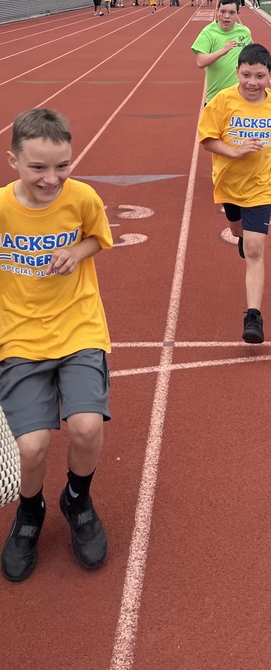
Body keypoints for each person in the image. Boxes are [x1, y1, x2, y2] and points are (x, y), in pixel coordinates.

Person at [0, 108, 113, 582]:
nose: (52, 179)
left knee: (86, 427)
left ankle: (77, 499)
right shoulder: (3, 208)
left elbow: (97, 238)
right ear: (13, 162)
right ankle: (30, 510)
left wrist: (76, 251)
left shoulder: (82, 196)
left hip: (79, 326)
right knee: (32, 445)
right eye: (39, 167)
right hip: (19, 335)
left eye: (62, 165)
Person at [197, 43, 271, 343]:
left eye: (260, 76)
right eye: (246, 75)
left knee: (255, 250)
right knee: (237, 229)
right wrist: (235, 151)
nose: (252, 82)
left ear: (270, 75)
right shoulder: (222, 102)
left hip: (263, 185)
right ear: (237, 72)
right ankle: (240, 235)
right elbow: (207, 140)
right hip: (229, 183)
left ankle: (253, 316)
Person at [191, 0, 252, 104]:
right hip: (215, 100)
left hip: (239, 100)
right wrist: (222, 51)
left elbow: (253, 53)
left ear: (238, 13)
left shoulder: (244, 32)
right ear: (217, 11)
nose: (226, 16)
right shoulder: (208, 32)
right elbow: (200, 62)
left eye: (232, 13)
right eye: (223, 12)